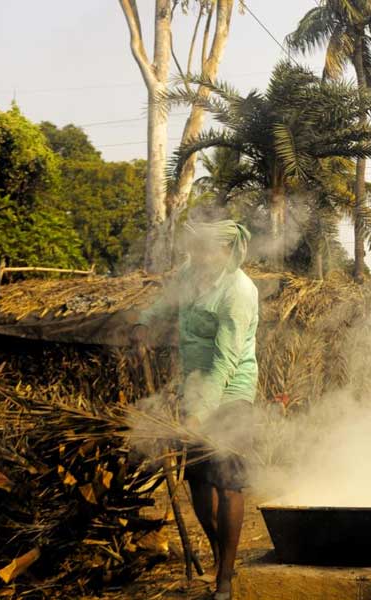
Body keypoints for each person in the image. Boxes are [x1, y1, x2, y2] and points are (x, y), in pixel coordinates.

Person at [131, 220, 258, 600]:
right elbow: (166, 299)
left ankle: (226, 577)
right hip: (194, 385)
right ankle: (219, 556)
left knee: (227, 479)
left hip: (231, 389)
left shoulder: (238, 291)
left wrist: (199, 415)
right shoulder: (191, 272)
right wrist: (143, 322)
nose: (198, 256)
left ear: (226, 251)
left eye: (206, 250)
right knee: (198, 478)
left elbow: (225, 360)